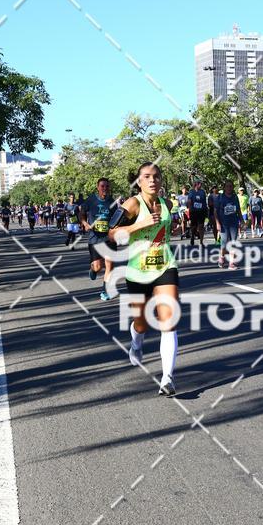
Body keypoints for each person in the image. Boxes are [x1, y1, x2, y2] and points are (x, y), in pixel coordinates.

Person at [109, 162, 179, 396]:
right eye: (147, 177)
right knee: (142, 322)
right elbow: (111, 234)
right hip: (138, 270)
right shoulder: (132, 204)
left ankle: (167, 378)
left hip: (165, 265)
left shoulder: (167, 204)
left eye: (157, 177)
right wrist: (140, 224)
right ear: (139, 181)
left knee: (169, 321)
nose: (152, 180)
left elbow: (169, 229)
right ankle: (137, 341)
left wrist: (171, 230)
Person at [80, 178, 117, 301]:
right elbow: (81, 213)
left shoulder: (112, 201)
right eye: (102, 186)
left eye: (107, 186)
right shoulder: (91, 200)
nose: (105, 188)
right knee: (97, 266)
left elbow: (116, 218)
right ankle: (93, 269)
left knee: (110, 265)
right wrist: (85, 223)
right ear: (97, 187)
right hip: (95, 238)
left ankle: (105, 291)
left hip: (109, 238)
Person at [215, 180, 241, 269]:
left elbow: (238, 210)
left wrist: (242, 221)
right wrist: (217, 223)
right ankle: (221, 257)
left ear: (233, 187)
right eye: (227, 186)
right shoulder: (220, 197)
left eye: (231, 186)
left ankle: (231, 263)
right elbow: (215, 211)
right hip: (224, 224)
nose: (229, 188)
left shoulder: (235, 197)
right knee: (224, 243)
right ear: (224, 188)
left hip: (233, 223)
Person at [188, 180, 207, 247]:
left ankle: (201, 242)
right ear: (196, 184)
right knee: (193, 227)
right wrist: (190, 210)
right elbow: (189, 201)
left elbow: (204, 202)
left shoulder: (202, 192)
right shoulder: (191, 192)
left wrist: (205, 210)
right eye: (199, 184)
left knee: (201, 226)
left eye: (201, 184)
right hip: (194, 211)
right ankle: (192, 236)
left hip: (201, 211)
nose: (200, 185)